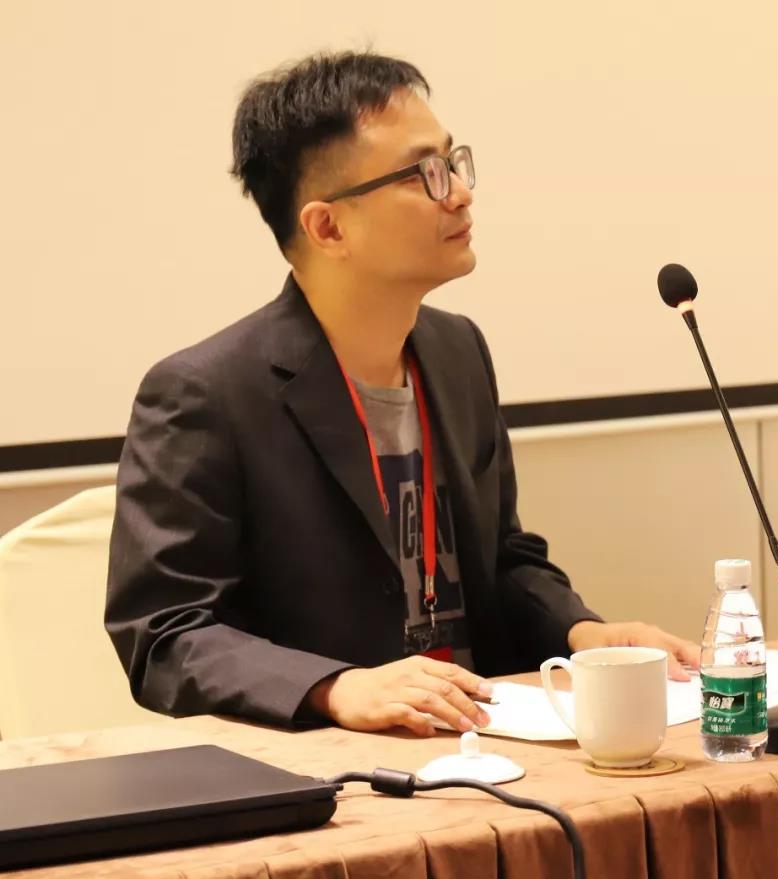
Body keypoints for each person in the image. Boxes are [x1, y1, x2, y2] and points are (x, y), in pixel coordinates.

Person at [105, 51, 699, 737]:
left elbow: (502, 559)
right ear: (328, 227)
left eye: (454, 162)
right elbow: (164, 633)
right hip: (333, 764)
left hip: (487, 742)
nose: (460, 193)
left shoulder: (457, 351)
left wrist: (585, 633)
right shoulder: (205, 394)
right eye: (425, 174)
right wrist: (334, 687)